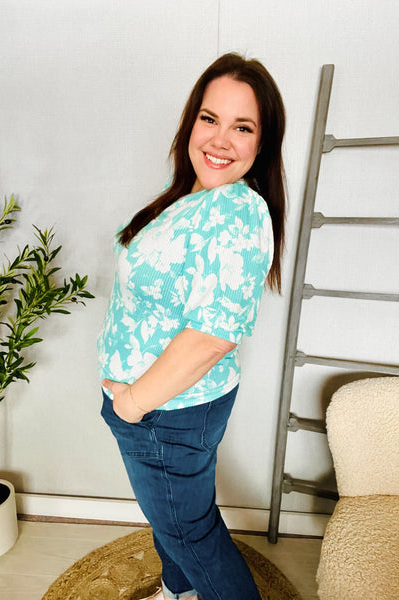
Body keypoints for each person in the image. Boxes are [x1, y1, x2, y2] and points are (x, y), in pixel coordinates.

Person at [97, 52, 286, 600]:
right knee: (176, 519)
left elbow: (212, 336)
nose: (220, 139)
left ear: (262, 143)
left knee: (191, 532)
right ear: (191, 122)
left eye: (243, 127)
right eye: (210, 118)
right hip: (159, 406)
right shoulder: (191, 192)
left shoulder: (237, 211)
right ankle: (179, 592)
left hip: (164, 411)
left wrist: (131, 404)